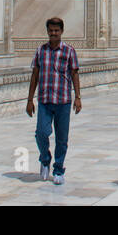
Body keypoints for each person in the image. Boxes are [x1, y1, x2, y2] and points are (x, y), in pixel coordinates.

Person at [25, 16, 81, 185]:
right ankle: (44, 159)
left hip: (63, 100)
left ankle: (58, 169)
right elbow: (35, 74)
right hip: (45, 100)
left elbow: (74, 74)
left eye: (56, 31)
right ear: (47, 31)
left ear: (61, 32)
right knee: (41, 133)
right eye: (51, 31)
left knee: (62, 138)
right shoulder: (41, 51)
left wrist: (78, 97)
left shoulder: (69, 51)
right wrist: (29, 99)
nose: (53, 33)